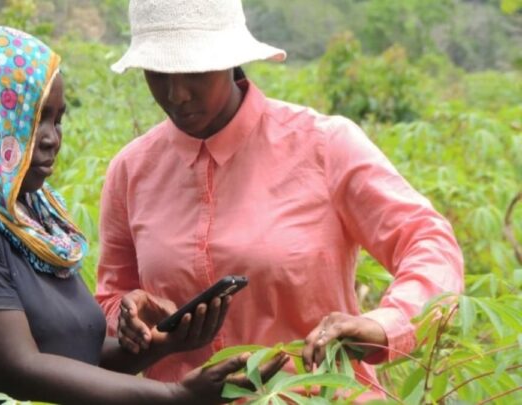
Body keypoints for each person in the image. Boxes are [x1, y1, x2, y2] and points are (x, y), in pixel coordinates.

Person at [0, 26, 286, 404]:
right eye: (33, 120)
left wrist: (164, 344)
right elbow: (18, 369)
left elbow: (71, 352)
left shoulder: (28, 215)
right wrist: (175, 396)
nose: (51, 140)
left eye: (58, 120)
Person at [94, 0, 464, 397]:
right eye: (159, 72)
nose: (177, 93)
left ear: (230, 59)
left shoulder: (324, 145)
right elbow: (109, 302)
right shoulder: (131, 170)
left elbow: (429, 241)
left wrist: (386, 323)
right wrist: (130, 316)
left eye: (195, 71)